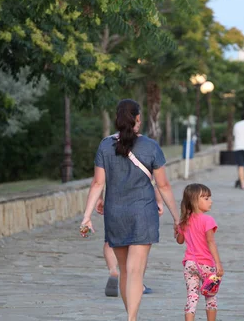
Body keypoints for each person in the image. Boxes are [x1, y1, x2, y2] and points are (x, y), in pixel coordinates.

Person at [80, 99, 180, 321]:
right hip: (143, 212)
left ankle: (131, 317)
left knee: (125, 270)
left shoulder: (105, 145)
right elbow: (163, 185)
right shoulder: (151, 146)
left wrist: (87, 216)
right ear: (137, 119)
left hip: (115, 214)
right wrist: (176, 218)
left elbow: (97, 183)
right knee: (136, 272)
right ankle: (131, 319)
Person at [96, 187, 162, 297]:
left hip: (114, 202)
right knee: (140, 243)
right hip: (141, 204)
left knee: (110, 240)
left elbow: (99, 182)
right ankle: (138, 284)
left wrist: (99, 198)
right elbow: (159, 184)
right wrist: (159, 201)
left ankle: (113, 270)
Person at [175, 184, 223, 321]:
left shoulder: (185, 221)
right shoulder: (208, 220)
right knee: (211, 296)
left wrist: (178, 229)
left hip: (190, 264)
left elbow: (179, 240)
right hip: (206, 264)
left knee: (192, 296)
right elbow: (210, 242)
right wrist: (218, 263)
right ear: (195, 201)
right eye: (206, 198)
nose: (210, 201)